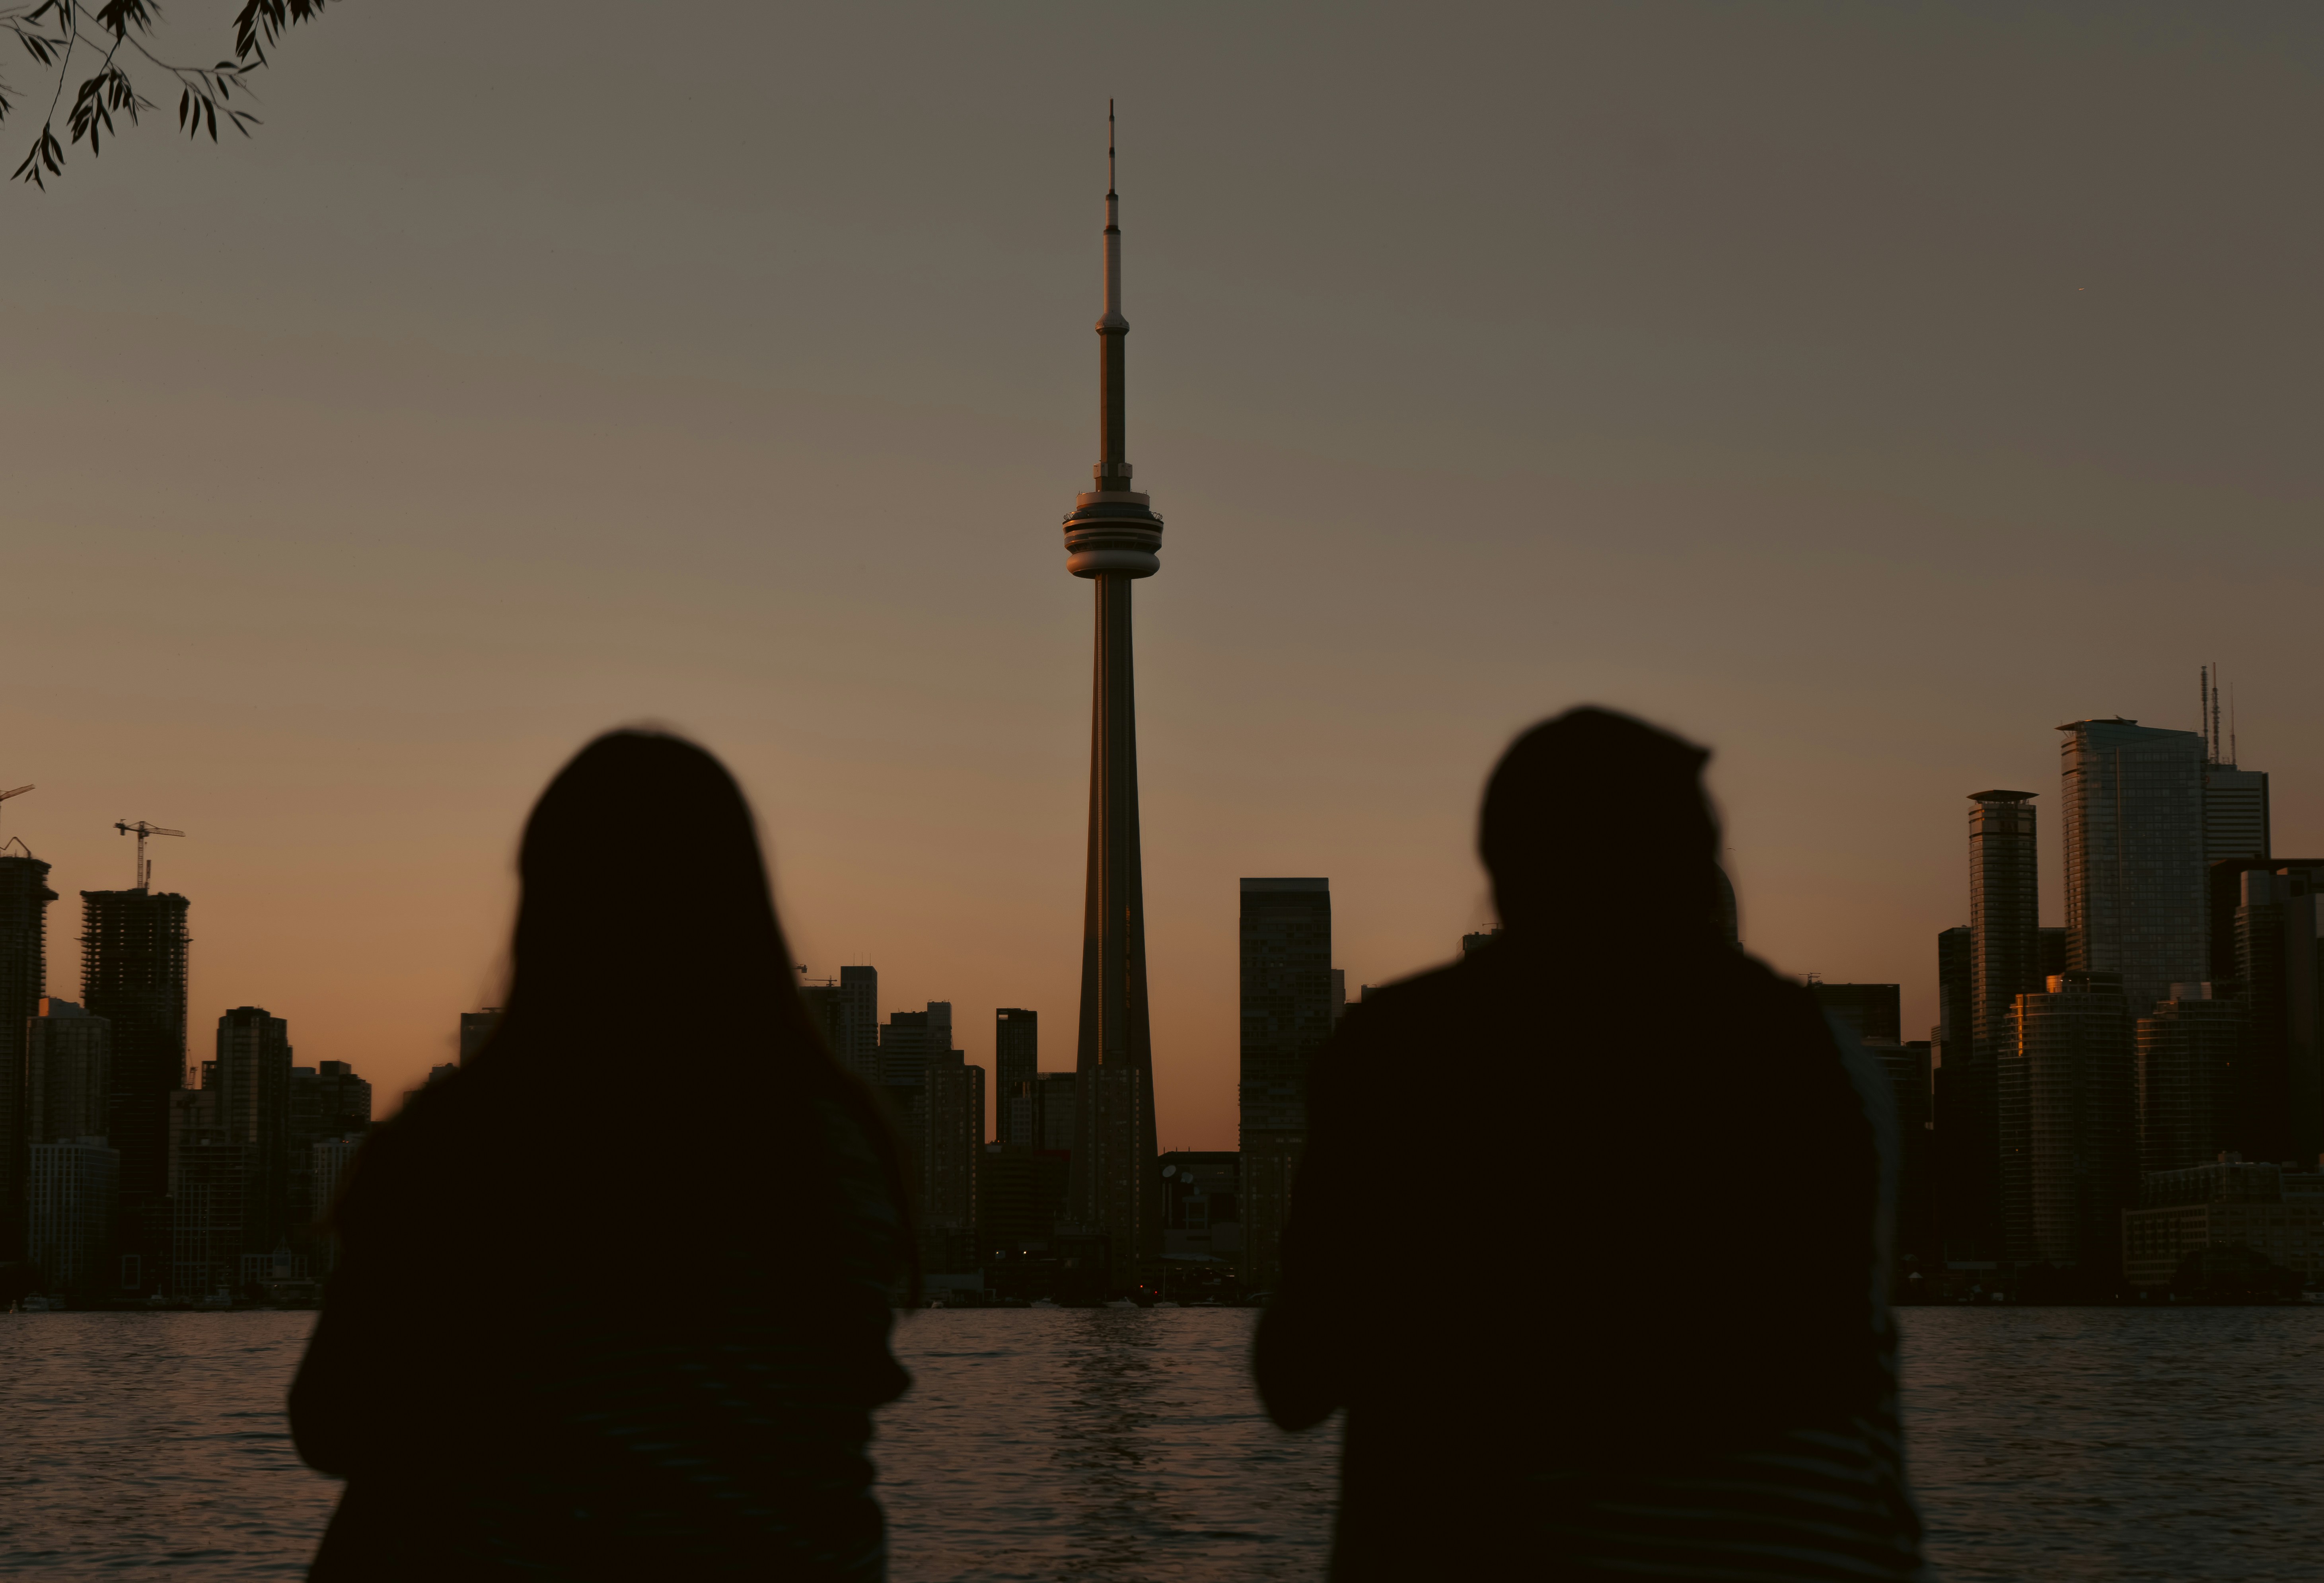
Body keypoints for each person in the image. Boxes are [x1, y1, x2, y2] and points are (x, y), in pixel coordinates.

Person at [1253, 707, 1928, 1581]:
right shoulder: (1841, 1068)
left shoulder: (1412, 1051)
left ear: (1509, 876)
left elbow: (1297, 1379)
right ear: (1702, 875)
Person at [290, 730, 913, 1580]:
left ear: (546, 911)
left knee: (396, 1492)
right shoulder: (837, 1146)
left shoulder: (477, 1140)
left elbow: (333, 1423)